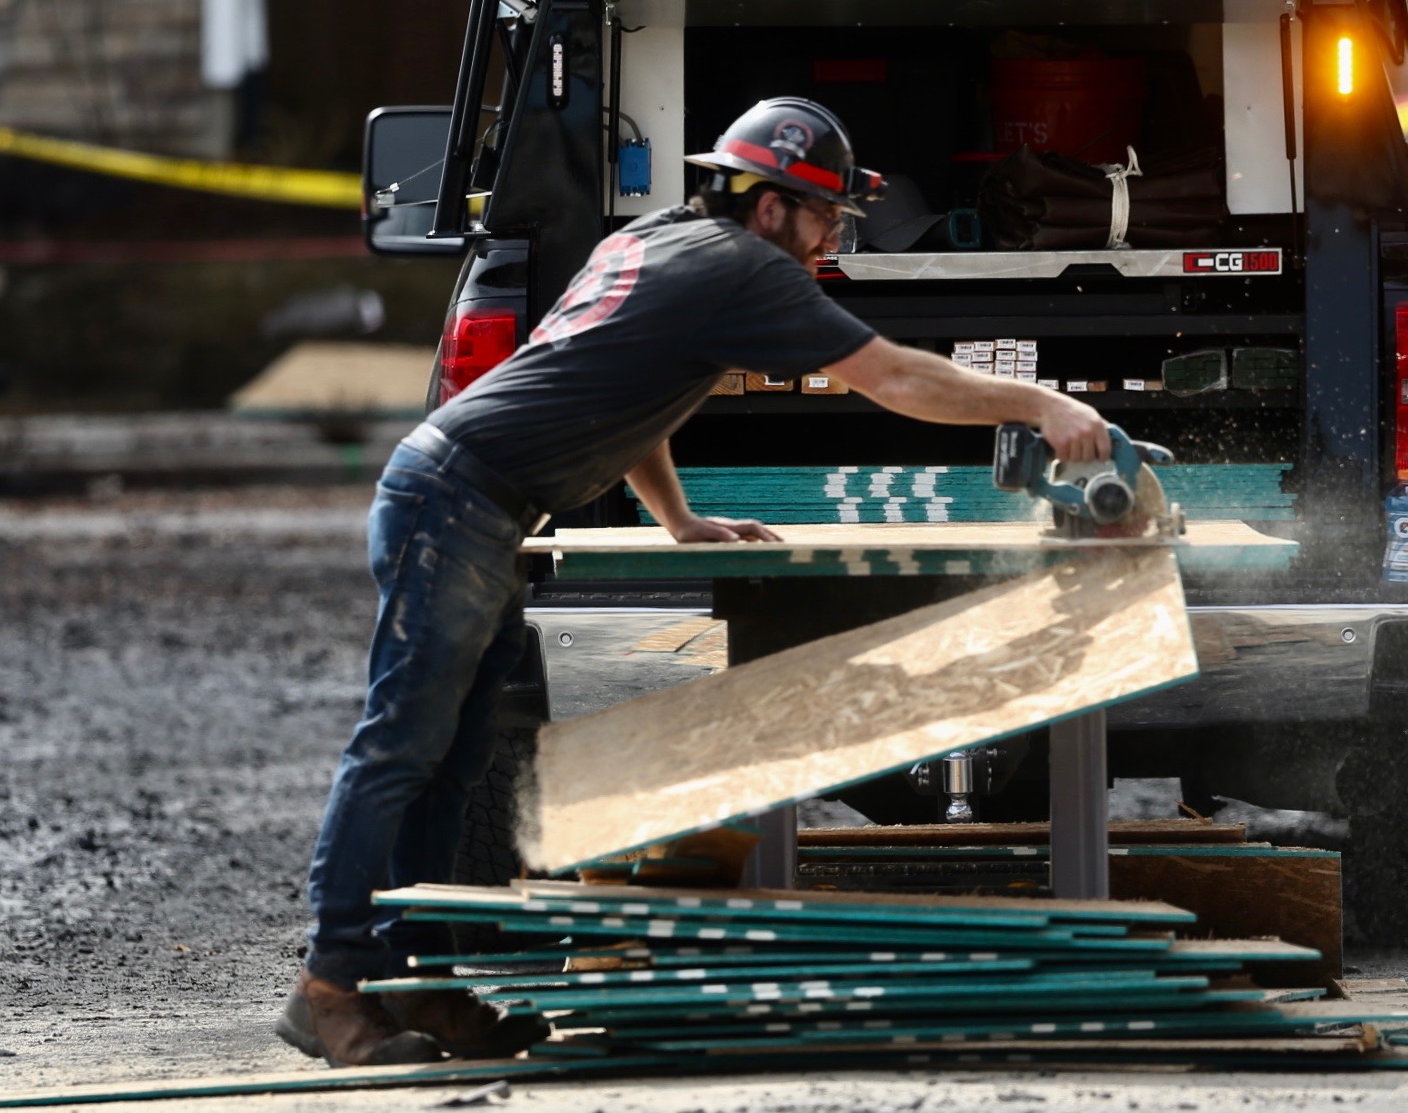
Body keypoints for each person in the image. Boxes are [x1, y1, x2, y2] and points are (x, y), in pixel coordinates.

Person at [278, 97, 1112, 1066]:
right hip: (453, 501)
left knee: (451, 759)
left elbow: (625, 385)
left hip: (477, 504)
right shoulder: (740, 266)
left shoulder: (656, 239)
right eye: (825, 220)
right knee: (400, 747)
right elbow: (896, 380)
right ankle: (329, 986)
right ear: (769, 207)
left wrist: (675, 517)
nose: (828, 244)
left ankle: (417, 984)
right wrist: (1043, 402)